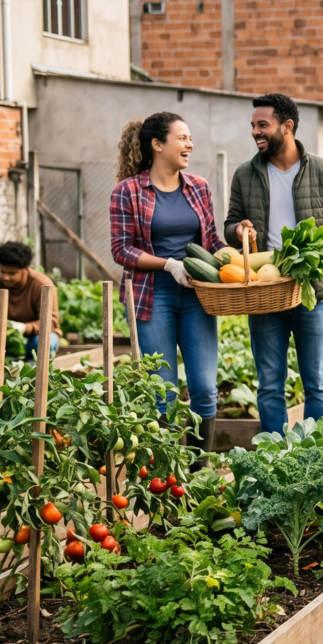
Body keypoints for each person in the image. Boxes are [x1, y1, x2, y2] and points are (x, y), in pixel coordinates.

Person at [224, 93, 323, 435]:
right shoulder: (244, 174)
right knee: (269, 384)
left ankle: (316, 455)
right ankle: (275, 457)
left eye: (262, 125)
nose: (255, 132)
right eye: (253, 126)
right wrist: (237, 229)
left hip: (312, 288)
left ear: (287, 126)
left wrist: (317, 248)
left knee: (317, 382)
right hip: (264, 290)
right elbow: (230, 225)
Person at [110, 112, 226, 453]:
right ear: (158, 145)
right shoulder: (128, 191)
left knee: (204, 387)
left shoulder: (199, 187)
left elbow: (212, 241)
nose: (190, 144)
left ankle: (197, 472)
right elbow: (121, 250)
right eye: (183, 138)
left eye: (190, 138)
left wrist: (232, 253)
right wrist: (168, 264)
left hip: (197, 297)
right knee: (164, 390)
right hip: (151, 297)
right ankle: (169, 475)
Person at [0, 242, 61, 359]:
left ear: (25, 269)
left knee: (44, 341)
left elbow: (50, 323)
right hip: (1, 336)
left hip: (33, 337)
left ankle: (33, 374)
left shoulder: (42, 285)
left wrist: (23, 328)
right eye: (2, 271)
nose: (5, 277)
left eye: (12, 273)